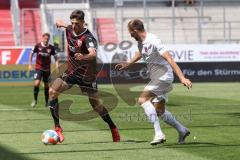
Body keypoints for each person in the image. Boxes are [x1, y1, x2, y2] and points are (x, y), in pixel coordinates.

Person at [115, 19, 192, 145]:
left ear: (135, 30)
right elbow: (140, 53)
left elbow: (170, 59)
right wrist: (128, 63)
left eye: (130, 32)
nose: (130, 35)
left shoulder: (154, 40)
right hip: (158, 77)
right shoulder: (141, 42)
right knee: (159, 111)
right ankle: (182, 130)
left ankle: (159, 134)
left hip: (163, 76)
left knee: (142, 100)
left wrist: (182, 78)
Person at [49, 9, 120, 143]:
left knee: (97, 106)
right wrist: (59, 23)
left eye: (77, 23)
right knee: (53, 91)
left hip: (87, 77)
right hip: (71, 72)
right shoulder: (70, 29)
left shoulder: (88, 38)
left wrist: (84, 56)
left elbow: (93, 54)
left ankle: (112, 127)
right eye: (72, 23)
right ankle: (57, 128)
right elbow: (62, 24)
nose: (74, 26)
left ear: (83, 22)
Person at [28, 33, 59, 107]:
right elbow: (31, 54)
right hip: (38, 68)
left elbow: (56, 58)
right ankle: (35, 100)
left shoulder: (51, 48)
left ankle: (46, 102)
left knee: (46, 86)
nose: (46, 40)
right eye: (45, 38)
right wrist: (30, 64)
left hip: (47, 69)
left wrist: (57, 66)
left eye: (47, 38)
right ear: (42, 38)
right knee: (36, 83)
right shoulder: (38, 46)